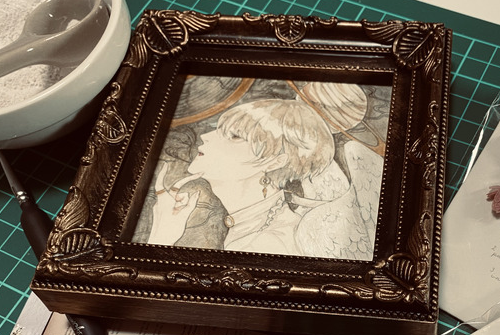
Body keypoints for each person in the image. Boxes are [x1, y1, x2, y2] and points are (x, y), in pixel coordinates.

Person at [146, 94, 379, 259]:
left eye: (234, 136)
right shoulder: (256, 223)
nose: (206, 136)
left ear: (275, 161)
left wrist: (162, 235)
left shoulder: (268, 243)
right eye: (217, 129)